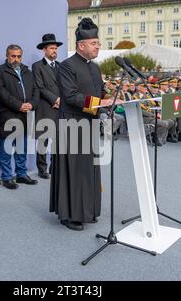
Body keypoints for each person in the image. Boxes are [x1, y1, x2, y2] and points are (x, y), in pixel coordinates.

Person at [50, 18, 118, 231]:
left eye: (98, 43)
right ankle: (69, 214)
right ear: (81, 45)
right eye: (94, 43)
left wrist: (110, 98)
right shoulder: (67, 66)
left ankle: (87, 210)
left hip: (89, 124)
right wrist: (100, 103)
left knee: (88, 170)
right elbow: (71, 96)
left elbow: (100, 91)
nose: (98, 46)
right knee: (74, 170)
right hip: (72, 124)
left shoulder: (95, 67)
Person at [0, 45, 39, 189]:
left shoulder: (27, 71)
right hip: (8, 115)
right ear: (7, 55)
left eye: (19, 56)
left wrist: (31, 104)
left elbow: (36, 90)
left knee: (22, 148)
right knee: (6, 149)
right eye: (13, 56)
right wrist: (19, 105)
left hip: (25, 116)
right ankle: (6, 177)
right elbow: (1, 92)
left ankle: (21, 175)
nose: (16, 59)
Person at [32, 34, 63, 180]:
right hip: (46, 107)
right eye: (51, 48)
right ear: (44, 50)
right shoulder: (37, 66)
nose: (54, 51)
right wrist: (55, 99)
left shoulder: (61, 66)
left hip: (60, 107)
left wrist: (62, 100)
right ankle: (42, 169)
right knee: (43, 140)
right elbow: (40, 87)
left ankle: (54, 167)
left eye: (55, 48)